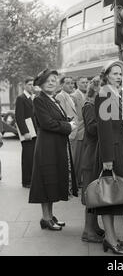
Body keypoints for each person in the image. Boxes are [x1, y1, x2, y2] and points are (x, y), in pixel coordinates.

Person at [29, 69, 78, 231]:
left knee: (51, 182)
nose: (52, 82)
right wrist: (68, 126)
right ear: (41, 83)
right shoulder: (39, 99)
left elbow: (55, 120)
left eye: (54, 79)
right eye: (48, 80)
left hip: (54, 146)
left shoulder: (52, 99)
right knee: (46, 182)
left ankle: (50, 216)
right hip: (47, 147)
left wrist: (67, 122)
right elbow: (47, 123)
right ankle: (46, 218)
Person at [94, 60, 123, 255]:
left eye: (121, 73)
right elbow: (104, 129)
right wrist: (107, 158)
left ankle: (112, 236)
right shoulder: (104, 94)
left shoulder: (118, 93)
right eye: (115, 73)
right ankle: (109, 239)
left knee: (115, 194)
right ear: (106, 75)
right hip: (111, 150)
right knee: (107, 196)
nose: (119, 76)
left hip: (119, 146)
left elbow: (121, 121)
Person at [81, 76, 105, 243]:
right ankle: (88, 230)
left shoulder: (95, 105)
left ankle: (94, 227)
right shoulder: (89, 106)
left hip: (96, 152)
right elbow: (91, 129)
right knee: (91, 193)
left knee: (95, 193)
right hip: (91, 154)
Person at [15, 77, 37, 188]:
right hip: (28, 134)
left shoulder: (34, 98)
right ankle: (26, 181)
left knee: (34, 157)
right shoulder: (21, 98)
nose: (31, 86)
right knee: (27, 157)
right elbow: (19, 117)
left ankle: (33, 179)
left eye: (33, 84)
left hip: (36, 133)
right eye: (29, 84)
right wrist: (25, 132)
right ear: (24, 85)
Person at [55, 77, 79, 174]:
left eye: (72, 83)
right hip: (69, 133)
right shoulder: (60, 96)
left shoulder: (69, 96)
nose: (71, 85)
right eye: (68, 83)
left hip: (73, 132)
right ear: (61, 85)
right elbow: (63, 117)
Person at [71, 76, 88, 187]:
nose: (85, 84)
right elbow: (74, 115)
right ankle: (75, 181)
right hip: (78, 130)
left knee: (82, 157)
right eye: (83, 82)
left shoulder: (86, 95)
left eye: (86, 82)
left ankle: (79, 180)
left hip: (85, 130)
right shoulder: (74, 96)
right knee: (76, 157)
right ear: (77, 83)